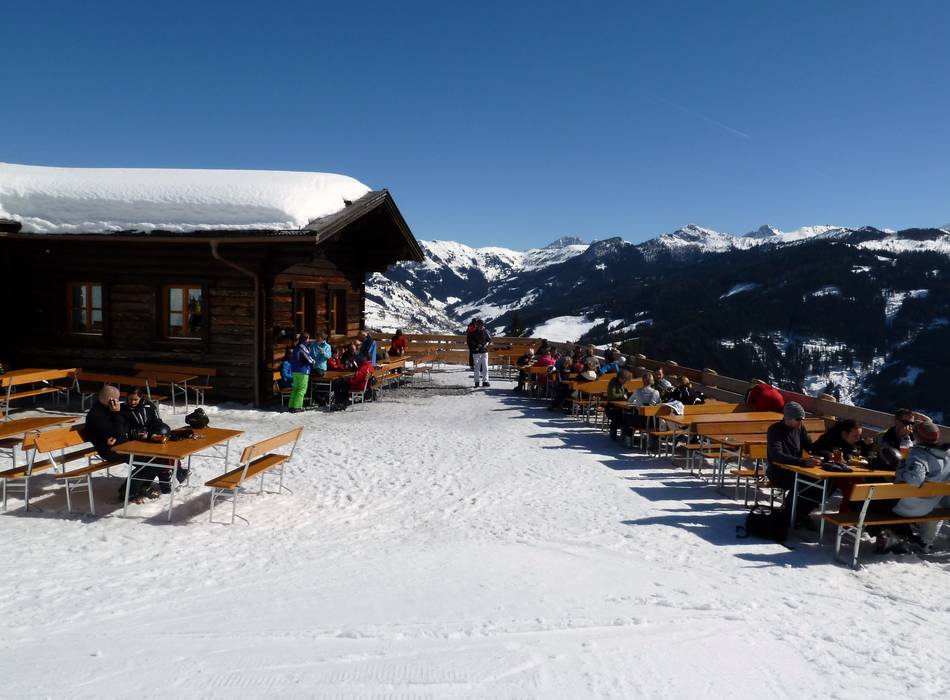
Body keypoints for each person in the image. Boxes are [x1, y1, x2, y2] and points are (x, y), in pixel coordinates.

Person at [865, 421, 949, 553]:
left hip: (907, 508)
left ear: (918, 436)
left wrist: (900, 470)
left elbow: (915, 479)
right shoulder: (947, 456)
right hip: (929, 507)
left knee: (865, 503)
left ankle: (892, 536)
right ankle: (903, 535)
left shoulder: (919, 455)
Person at [766, 402, 822, 528]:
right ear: (788, 418)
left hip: (796, 469)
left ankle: (801, 512)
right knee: (804, 482)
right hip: (778, 471)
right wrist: (803, 462)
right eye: (798, 419)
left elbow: (809, 446)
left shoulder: (800, 428)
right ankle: (790, 513)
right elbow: (777, 455)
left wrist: (826, 453)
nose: (801, 422)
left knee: (822, 482)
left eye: (802, 419)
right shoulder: (775, 430)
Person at [121, 387, 174, 496]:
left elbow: (157, 422)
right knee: (155, 460)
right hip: (132, 443)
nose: (132, 402)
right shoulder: (123, 409)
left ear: (141, 398)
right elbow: (123, 428)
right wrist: (137, 433)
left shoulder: (148, 406)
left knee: (166, 453)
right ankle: (134, 489)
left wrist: (155, 432)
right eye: (130, 399)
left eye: (135, 399)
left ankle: (164, 481)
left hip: (150, 438)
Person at [288, 333, 314, 413]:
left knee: (295, 389)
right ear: (305, 339)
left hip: (295, 371)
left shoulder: (296, 347)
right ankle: (297, 407)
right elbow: (308, 359)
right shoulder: (303, 347)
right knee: (301, 389)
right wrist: (313, 361)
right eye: (308, 339)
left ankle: (291, 406)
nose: (309, 340)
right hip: (302, 371)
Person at [606, 367, 633, 440]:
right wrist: (623, 396)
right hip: (611, 407)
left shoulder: (621, 384)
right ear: (621, 378)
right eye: (625, 380)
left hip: (620, 407)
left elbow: (625, 393)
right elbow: (612, 396)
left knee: (627, 416)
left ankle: (625, 435)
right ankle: (613, 433)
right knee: (617, 417)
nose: (625, 382)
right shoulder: (613, 382)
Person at [469, 319, 492, 388]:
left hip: (484, 352)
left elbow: (489, 340)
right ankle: (477, 382)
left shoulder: (485, 332)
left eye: (482, 325)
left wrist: (486, 344)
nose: (481, 326)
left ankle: (485, 381)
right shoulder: (473, 333)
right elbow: (471, 341)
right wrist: (476, 345)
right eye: (480, 325)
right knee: (477, 368)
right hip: (476, 352)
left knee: (485, 367)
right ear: (477, 325)